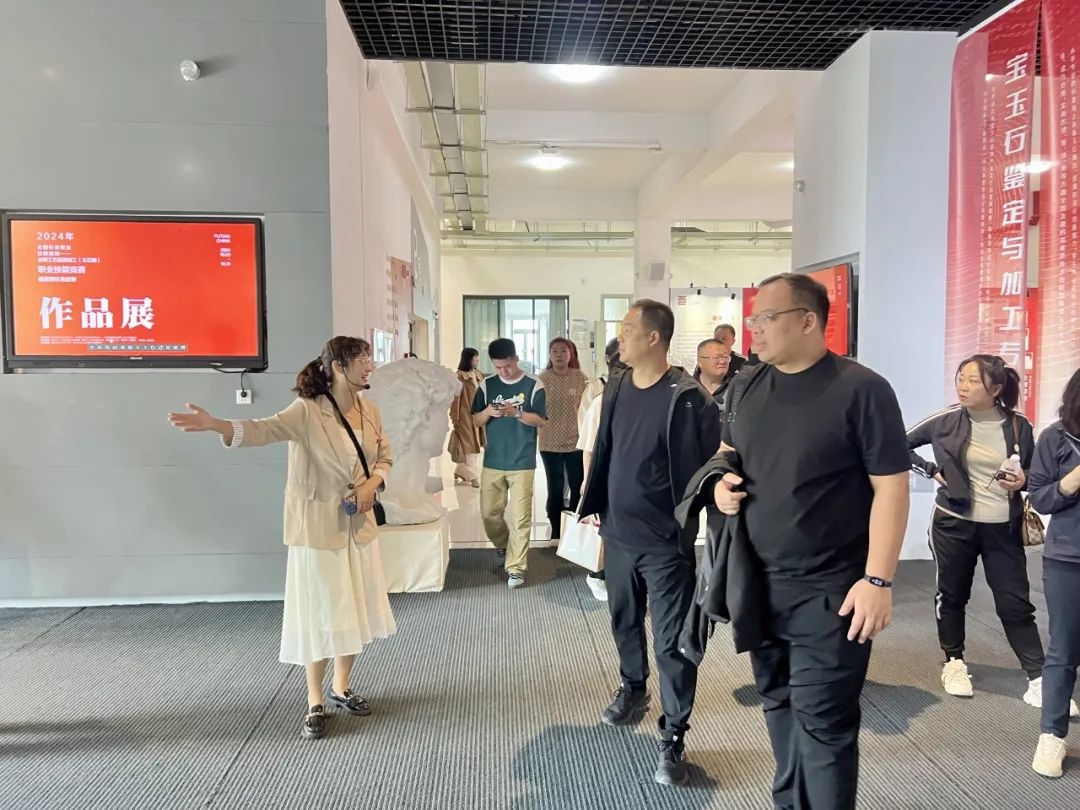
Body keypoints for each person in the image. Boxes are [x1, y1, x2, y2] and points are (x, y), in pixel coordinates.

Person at [711, 273, 910, 810]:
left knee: (825, 721)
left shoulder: (861, 389)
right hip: (757, 579)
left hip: (833, 589)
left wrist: (878, 579)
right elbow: (728, 452)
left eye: (765, 317)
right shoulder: (746, 385)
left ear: (807, 321)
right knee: (777, 702)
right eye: (752, 318)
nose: (753, 328)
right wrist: (721, 484)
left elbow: (891, 487)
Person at [167, 336, 395, 740]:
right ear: (337, 366)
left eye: (369, 358)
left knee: (354, 607)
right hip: (317, 528)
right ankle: (314, 700)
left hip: (357, 527)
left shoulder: (370, 411)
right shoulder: (307, 410)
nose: (369, 365)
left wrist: (371, 485)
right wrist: (217, 424)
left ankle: (341, 687)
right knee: (320, 612)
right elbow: (264, 429)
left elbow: (384, 458)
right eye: (362, 359)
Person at [578, 300, 722, 787]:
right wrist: (594, 500)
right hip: (617, 534)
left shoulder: (690, 399)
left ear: (654, 338)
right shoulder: (618, 385)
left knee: (672, 643)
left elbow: (710, 468)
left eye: (627, 329)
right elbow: (607, 449)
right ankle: (633, 687)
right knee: (623, 620)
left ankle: (674, 734)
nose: (620, 338)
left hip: (664, 544)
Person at [908, 355, 1065, 710]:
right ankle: (954, 661)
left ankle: (1037, 677)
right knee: (951, 595)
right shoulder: (945, 419)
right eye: (961, 378)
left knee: (1015, 602)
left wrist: (1023, 479)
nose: (962, 386)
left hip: (1002, 528)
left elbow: (1036, 472)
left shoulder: (1018, 426)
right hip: (952, 523)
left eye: (973, 381)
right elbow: (897, 443)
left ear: (995, 389)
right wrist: (931, 470)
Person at [1029, 368, 1080, 778]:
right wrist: (1072, 480)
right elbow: (1041, 499)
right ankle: (1052, 735)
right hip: (1069, 559)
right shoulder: (1055, 438)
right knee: (1064, 649)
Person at [472, 338, 548, 589]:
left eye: (507, 366)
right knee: (489, 514)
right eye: (498, 367)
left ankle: (516, 568)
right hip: (493, 460)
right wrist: (488, 412)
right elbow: (475, 420)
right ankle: (504, 545)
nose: (503, 371)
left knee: (520, 517)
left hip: (522, 461)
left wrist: (516, 413)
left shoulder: (533, 384)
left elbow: (540, 420)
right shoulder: (487, 385)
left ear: (516, 359)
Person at [576, 338, 626, 602]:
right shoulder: (600, 399)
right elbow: (588, 446)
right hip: (606, 476)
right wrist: (588, 481)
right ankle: (597, 574)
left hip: (632, 481)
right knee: (602, 530)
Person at [539, 338, 590, 542]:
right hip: (549, 442)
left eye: (563, 350)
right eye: (555, 351)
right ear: (550, 355)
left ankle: (574, 530)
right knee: (555, 487)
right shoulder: (542, 379)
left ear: (571, 354)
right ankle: (556, 531)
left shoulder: (580, 378)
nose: (559, 354)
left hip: (575, 442)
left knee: (577, 487)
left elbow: (587, 410)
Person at [450, 347, 485, 487]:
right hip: (464, 416)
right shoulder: (459, 376)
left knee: (474, 446)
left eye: (477, 359)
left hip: (479, 415)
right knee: (469, 446)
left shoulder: (478, 374)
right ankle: (473, 477)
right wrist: (455, 418)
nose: (477, 361)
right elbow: (455, 400)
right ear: (468, 359)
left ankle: (460, 471)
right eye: (475, 359)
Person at [693, 338, 732, 407]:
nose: (723, 361)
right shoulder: (687, 388)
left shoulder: (736, 387)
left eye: (725, 357)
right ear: (700, 362)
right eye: (716, 357)